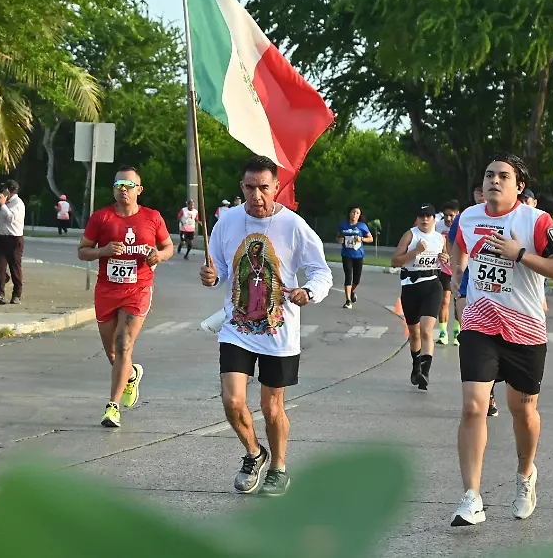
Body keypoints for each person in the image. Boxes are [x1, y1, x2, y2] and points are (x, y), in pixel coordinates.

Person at [448, 153, 553, 527]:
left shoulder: (537, 221)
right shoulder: (469, 217)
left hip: (525, 330)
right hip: (480, 324)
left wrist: (520, 254)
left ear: (519, 186)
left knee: (523, 412)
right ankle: (471, 497)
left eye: (504, 176)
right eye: (489, 175)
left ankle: (525, 475)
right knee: (474, 407)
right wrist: (458, 280)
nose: (494, 181)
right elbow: (457, 242)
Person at [199, 156, 332, 497]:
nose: (257, 195)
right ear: (240, 187)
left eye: (264, 187)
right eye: (249, 187)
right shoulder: (227, 222)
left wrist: (308, 291)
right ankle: (254, 453)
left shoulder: (294, 226)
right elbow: (221, 274)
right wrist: (211, 278)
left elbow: (322, 271)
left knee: (272, 408)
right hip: (237, 327)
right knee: (232, 400)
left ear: (276, 187)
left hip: (279, 332)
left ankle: (278, 466)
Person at [77, 166, 174, 428]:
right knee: (113, 353)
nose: (123, 189)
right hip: (107, 290)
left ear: (139, 190)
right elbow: (82, 251)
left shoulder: (152, 218)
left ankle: (112, 407)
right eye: (119, 184)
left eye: (129, 185)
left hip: (138, 289)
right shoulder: (102, 218)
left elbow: (168, 247)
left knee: (123, 345)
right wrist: (104, 250)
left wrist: (159, 256)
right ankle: (131, 375)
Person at [449, 185, 499, 416]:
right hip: (469, 285)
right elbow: (455, 243)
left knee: (496, 344)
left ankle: (490, 385)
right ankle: (483, 392)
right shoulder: (466, 217)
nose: (483, 195)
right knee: (471, 335)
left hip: (501, 293)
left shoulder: (513, 218)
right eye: (479, 191)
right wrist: (456, 269)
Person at [391, 205, 448, 390]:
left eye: (428, 216)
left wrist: (445, 258)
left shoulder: (440, 238)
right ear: (417, 219)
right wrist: (415, 251)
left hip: (432, 285)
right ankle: (416, 367)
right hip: (410, 286)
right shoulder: (410, 235)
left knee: (426, 330)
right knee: (414, 332)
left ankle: (425, 372)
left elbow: (446, 258)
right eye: (421, 216)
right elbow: (395, 261)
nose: (425, 220)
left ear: (433, 219)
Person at [0, 180, 25, 305]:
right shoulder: (7, 202)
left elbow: (11, 219)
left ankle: (17, 294)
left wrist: (3, 205)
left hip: (14, 240)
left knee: (15, 268)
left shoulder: (18, 203)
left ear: (10, 190)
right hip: (2, 238)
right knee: (0, 267)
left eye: (4, 190)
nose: (2, 192)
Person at [336, 206, 373, 309]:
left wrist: (361, 238)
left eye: (357, 213)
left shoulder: (362, 226)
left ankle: (352, 291)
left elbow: (370, 239)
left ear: (359, 216)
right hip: (346, 254)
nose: (355, 215)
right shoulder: (343, 225)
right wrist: (340, 240)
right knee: (348, 277)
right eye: (353, 212)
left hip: (358, 255)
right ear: (349, 213)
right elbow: (338, 236)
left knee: (356, 280)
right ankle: (347, 301)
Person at [436, 200, 460, 344]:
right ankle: (443, 333)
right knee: (444, 301)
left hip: (459, 269)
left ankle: (457, 333)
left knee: (458, 302)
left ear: (457, 214)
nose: (448, 219)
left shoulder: (462, 226)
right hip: (443, 269)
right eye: (445, 215)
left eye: (451, 215)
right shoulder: (438, 226)